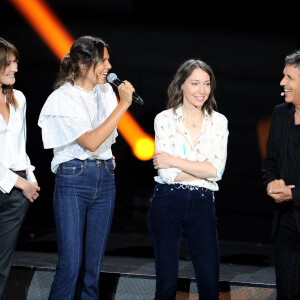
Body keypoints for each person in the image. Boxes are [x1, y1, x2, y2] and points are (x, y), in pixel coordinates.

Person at [38, 36, 134, 299]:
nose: (109, 66)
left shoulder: (105, 93)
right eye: (103, 61)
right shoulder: (63, 97)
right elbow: (91, 141)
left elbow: (104, 138)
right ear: (83, 64)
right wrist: (124, 103)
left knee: (93, 269)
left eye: (108, 60)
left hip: (104, 179)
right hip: (73, 180)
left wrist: (108, 155)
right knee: (70, 266)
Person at [147, 59, 228, 300]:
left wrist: (174, 160)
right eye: (195, 83)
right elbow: (166, 174)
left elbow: (216, 170)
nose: (201, 90)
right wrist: (198, 169)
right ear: (181, 84)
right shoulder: (164, 119)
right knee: (167, 281)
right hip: (168, 201)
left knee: (209, 280)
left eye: (206, 84)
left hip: (203, 203)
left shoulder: (219, 122)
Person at [0, 37, 40, 300]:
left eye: (15, 63)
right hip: (13, 184)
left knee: (2, 266)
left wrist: (30, 179)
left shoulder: (19, 99)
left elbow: (20, 147)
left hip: (16, 195)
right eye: (9, 63)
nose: (15, 68)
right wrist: (21, 183)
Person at [262, 49, 300, 300]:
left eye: (289, 77)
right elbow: (269, 162)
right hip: (286, 224)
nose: (282, 82)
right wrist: (270, 183)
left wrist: (295, 194)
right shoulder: (280, 113)